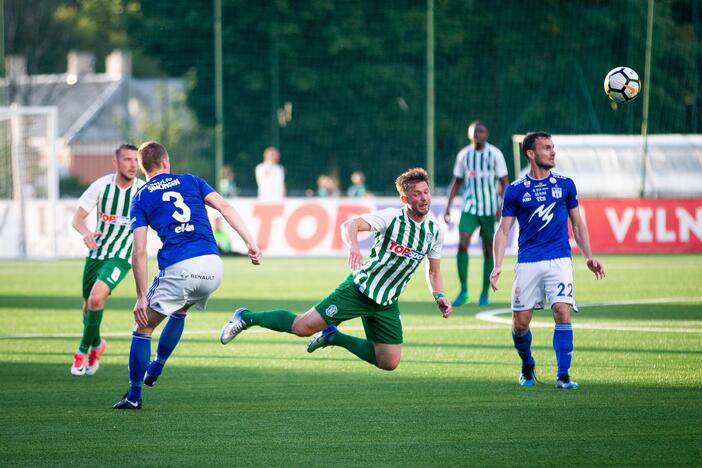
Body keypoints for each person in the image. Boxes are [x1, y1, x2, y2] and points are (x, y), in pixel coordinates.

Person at [220, 168, 452, 370]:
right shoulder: (392, 218)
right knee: (302, 327)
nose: (424, 198)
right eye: (417, 194)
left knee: (389, 361)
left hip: (387, 301)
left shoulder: (434, 231)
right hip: (359, 289)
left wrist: (439, 295)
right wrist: (353, 247)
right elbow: (350, 224)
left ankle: (334, 336)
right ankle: (245, 317)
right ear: (405, 199)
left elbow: (433, 271)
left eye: (426, 192)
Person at [113, 141, 261, 410]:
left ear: (144, 168)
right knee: (180, 310)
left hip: (181, 267)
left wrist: (140, 296)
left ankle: (134, 396)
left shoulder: (141, 196)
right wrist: (250, 241)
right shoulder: (191, 181)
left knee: (143, 327)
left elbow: (140, 251)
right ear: (166, 162)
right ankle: (156, 367)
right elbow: (225, 208)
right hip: (213, 266)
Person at [490, 131, 605, 390]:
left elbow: (578, 224)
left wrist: (588, 256)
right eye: (546, 148)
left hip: (559, 260)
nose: (553, 152)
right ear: (531, 153)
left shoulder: (565, 185)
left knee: (562, 312)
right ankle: (527, 363)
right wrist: (498, 265)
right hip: (528, 261)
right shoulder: (515, 191)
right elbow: (503, 230)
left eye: (553, 147)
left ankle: (563, 376)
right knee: (520, 324)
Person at [70, 144, 144, 376]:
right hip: (96, 253)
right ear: (116, 163)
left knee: (96, 297)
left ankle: (82, 352)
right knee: (88, 307)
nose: (133, 164)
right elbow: (78, 218)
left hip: (121, 256)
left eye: (136, 160)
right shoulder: (101, 186)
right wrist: (85, 233)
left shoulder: (142, 191)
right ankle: (97, 344)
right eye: (127, 160)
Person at [443, 121, 508, 307]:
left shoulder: (495, 154)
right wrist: (448, 207)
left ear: (486, 134)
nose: (478, 134)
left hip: (490, 208)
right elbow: (457, 182)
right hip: (469, 207)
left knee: (488, 249)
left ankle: (484, 293)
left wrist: (502, 207)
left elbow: (505, 183)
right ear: (469, 134)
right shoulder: (464, 155)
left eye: (481, 131)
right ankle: (463, 291)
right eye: (475, 131)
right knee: (462, 244)